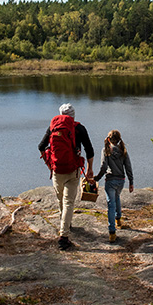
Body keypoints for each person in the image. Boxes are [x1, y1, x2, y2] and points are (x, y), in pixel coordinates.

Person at [38, 103, 94, 250]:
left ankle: (65, 224)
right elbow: (89, 149)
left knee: (60, 200)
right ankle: (64, 236)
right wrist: (89, 170)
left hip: (57, 171)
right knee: (69, 202)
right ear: (73, 115)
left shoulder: (53, 127)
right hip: (73, 170)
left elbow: (41, 146)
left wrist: (49, 163)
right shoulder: (79, 128)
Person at [94, 130, 134, 243]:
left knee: (111, 204)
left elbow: (103, 166)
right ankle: (118, 220)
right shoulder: (123, 150)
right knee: (117, 198)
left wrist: (97, 178)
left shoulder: (106, 150)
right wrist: (131, 182)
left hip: (110, 181)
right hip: (121, 181)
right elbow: (128, 167)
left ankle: (112, 232)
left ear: (108, 139)